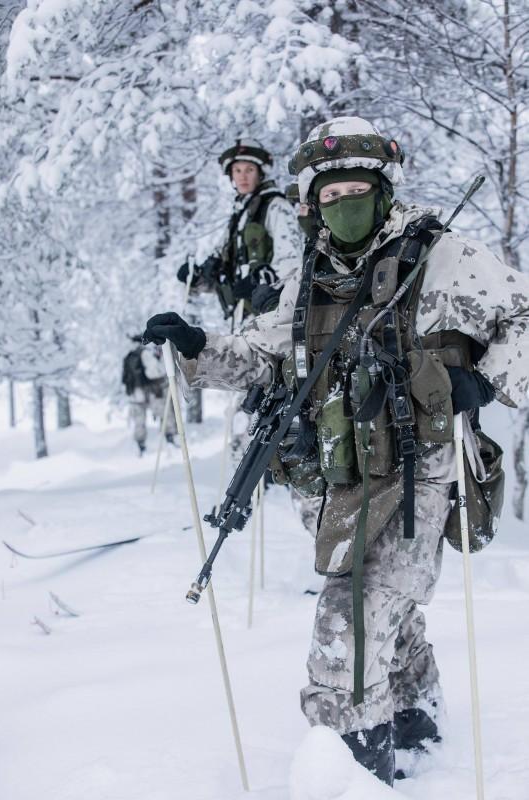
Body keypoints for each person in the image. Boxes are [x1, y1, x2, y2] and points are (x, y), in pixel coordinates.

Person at [143, 116, 529, 785]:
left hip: (417, 477)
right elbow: (263, 356)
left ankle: (347, 773)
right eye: (328, 194)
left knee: (345, 627)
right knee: (389, 613)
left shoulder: (440, 257)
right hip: (335, 480)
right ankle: (417, 727)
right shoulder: (307, 278)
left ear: (383, 189)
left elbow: (521, 315)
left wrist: (483, 380)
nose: (341, 204)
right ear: (311, 201)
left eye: (356, 188)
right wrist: (196, 347)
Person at [177, 138, 301, 320]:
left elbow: (291, 263)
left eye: (249, 170)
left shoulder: (276, 206)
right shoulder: (240, 216)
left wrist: (257, 282)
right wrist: (197, 278)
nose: (243, 176)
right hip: (242, 317)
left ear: (260, 173)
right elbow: (223, 274)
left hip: (273, 315)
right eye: (237, 170)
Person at [122, 337, 176, 455]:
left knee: (139, 420)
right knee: (165, 414)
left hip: (135, 394)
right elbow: (153, 373)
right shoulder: (145, 353)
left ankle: (141, 445)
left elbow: (124, 378)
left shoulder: (128, 357)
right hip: (150, 392)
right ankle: (169, 439)